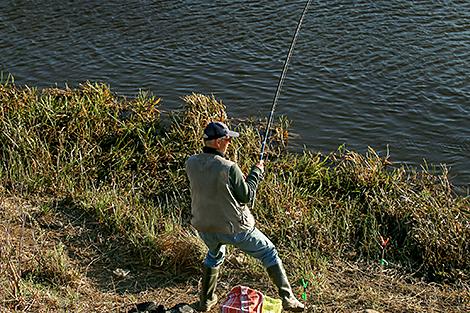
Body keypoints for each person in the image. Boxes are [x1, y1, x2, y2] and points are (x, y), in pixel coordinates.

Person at [185, 121, 305, 312]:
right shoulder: (229, 167)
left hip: (205, 228)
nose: (229, 143)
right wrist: (257, 172)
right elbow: (246, 196)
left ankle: (206, 301)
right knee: (269, 252)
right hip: (235, 229)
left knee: (214, 255)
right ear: (217, 142)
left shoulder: (190, 162)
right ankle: (288, 299)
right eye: (226, 139)